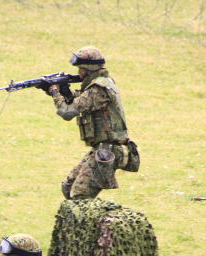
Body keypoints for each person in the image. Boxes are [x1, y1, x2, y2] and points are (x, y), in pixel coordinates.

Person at [47, 46, 138, 200]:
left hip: (109, 150)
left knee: (80, 194)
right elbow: (78, 101)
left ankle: (95, 222)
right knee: (68, 186)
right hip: (100, 148)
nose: (79, 74)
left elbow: (67, 112)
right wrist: (63, 91)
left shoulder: (99, 88)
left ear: (89, 70)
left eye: (81, 70)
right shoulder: (96, 86)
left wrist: (55, 92)